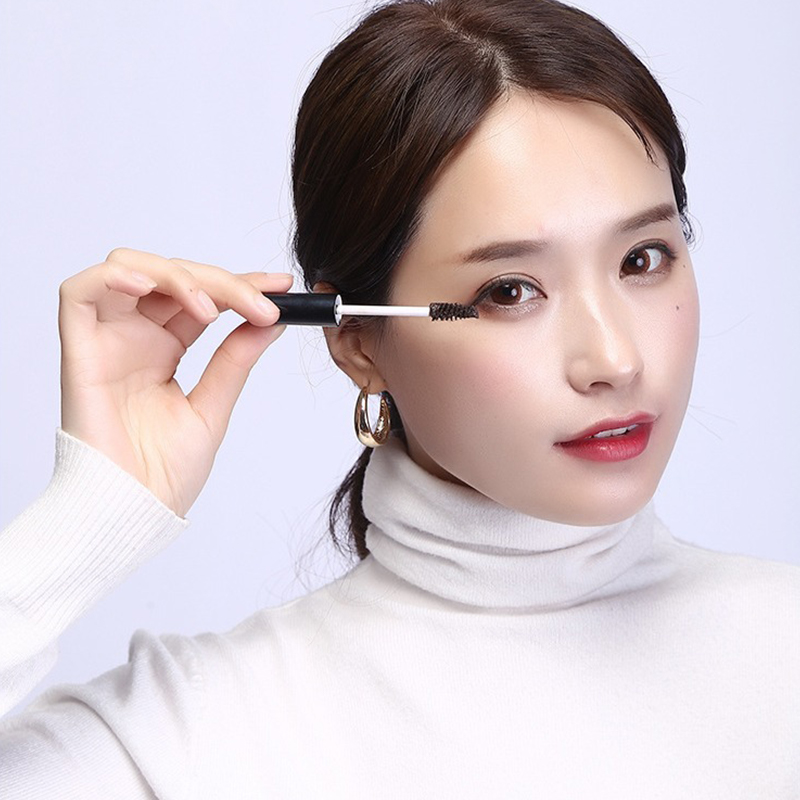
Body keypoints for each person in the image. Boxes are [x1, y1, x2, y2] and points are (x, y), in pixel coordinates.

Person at [1, 0, 798, 796]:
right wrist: (86, 523)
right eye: (511, 290)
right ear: (356, 339)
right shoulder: (194, 738)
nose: (615, 361)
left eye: (643, 259)